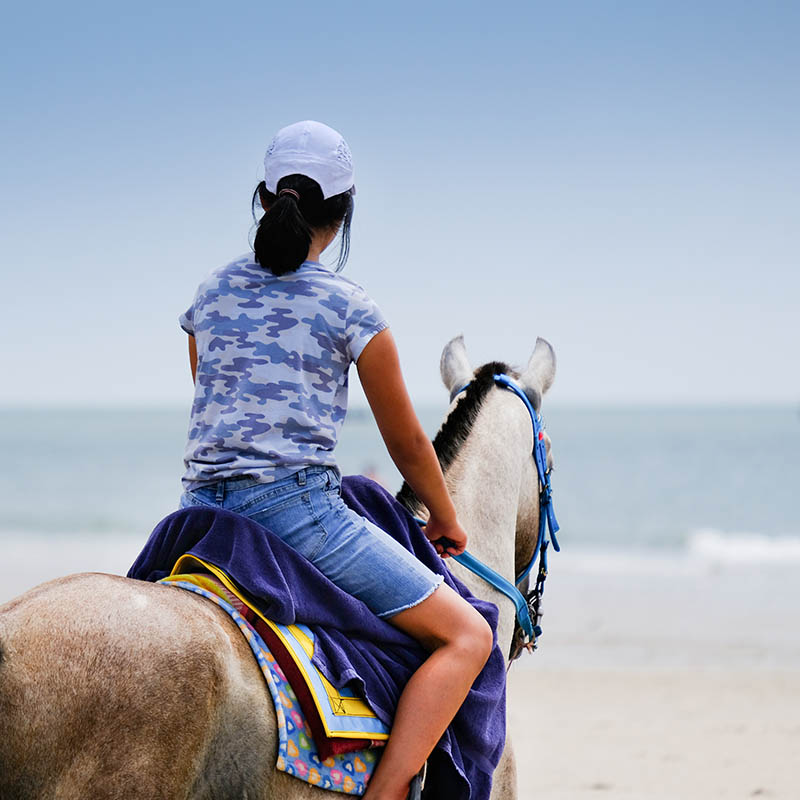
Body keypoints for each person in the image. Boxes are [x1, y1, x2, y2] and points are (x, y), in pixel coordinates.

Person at [178, 120, 493, 800]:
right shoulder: (351, 308)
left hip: (198, 516)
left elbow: (212, 389)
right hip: (297, 516)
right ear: (343, 213)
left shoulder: (209, 294)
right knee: (468, 636)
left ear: (264, 199)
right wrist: (445, 517)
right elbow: (407, 444)